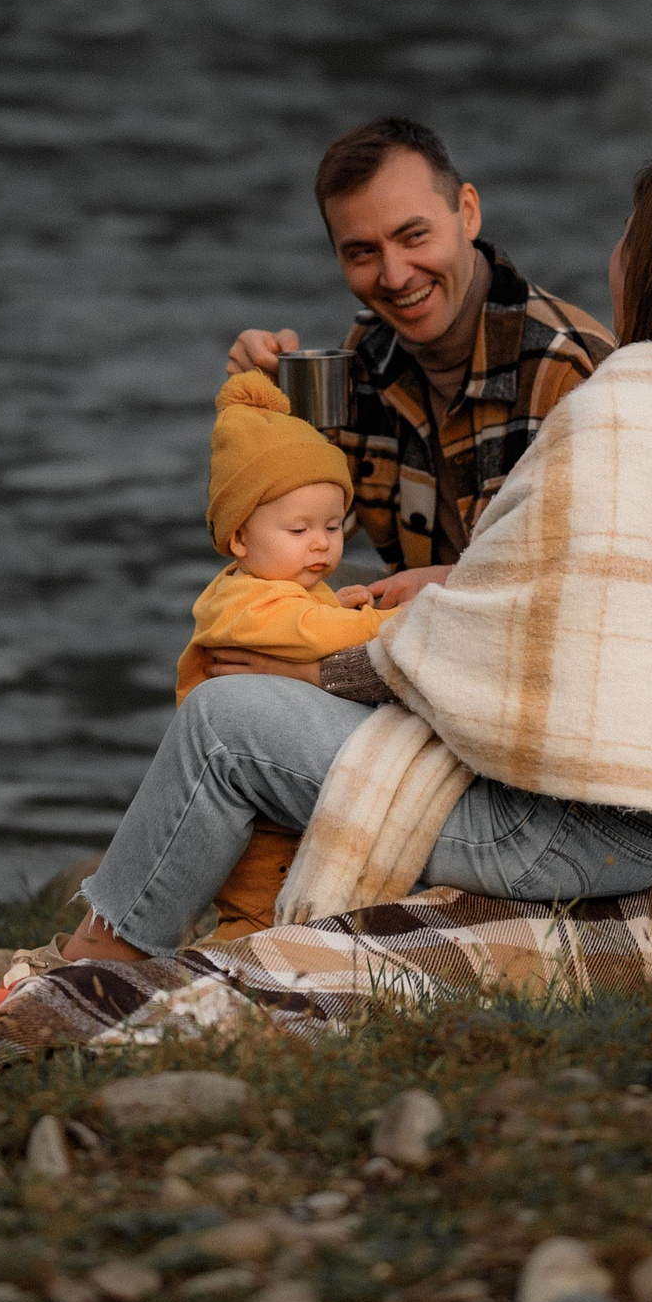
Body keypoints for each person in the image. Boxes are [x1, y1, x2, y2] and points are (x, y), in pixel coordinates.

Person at [63, 149, 652, 964]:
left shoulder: (604, 400)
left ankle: (102, 964)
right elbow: (619, 597)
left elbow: (522, 640)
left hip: (574, 825)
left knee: (222, 724)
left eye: (627, 234)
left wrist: (310, 673)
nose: (613, 256)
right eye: (360, 250)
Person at [227, 117, 614, 616]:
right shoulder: (371, 348)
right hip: (430, 643)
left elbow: (607, 586)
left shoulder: (569, 369)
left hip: (537, 659)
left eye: (413, 236)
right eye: (363, 252)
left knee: (230, 692)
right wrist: (264, 418)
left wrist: (454, 585)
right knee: (241, 603)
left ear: (468, 213)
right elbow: (291, 538)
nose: (394, 275)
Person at [173, 371, 400, 940]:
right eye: (299, 529)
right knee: (256, 891)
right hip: (247, 789)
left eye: (332, 525)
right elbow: (312, 632)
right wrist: (393, 622)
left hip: (278, 765)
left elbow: (315, 620)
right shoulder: (243, 602)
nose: (321, 543)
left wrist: (343, 607)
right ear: (240, 539)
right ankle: (234, 952)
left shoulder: (279, 583)